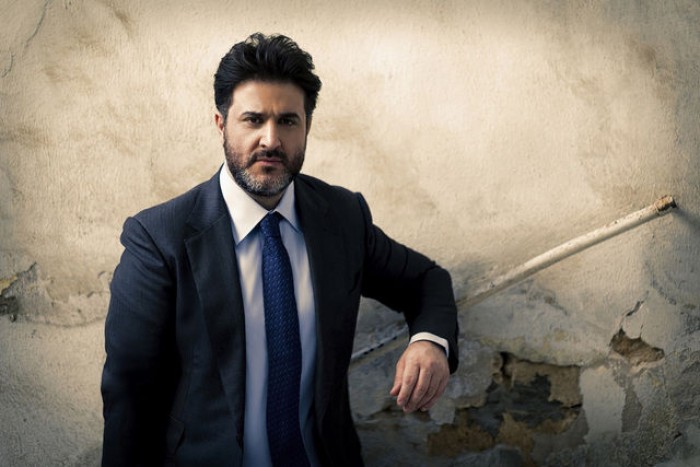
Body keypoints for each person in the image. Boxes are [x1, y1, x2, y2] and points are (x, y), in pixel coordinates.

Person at [101, 33, 458, 467]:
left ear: (307, 127)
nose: (271, 140)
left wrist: (429, 341)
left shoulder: (342, 217)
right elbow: (129, 396)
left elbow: (425, 280)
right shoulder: (159, 239)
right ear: (221, 123)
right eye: (253, 120)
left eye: (288, 121)